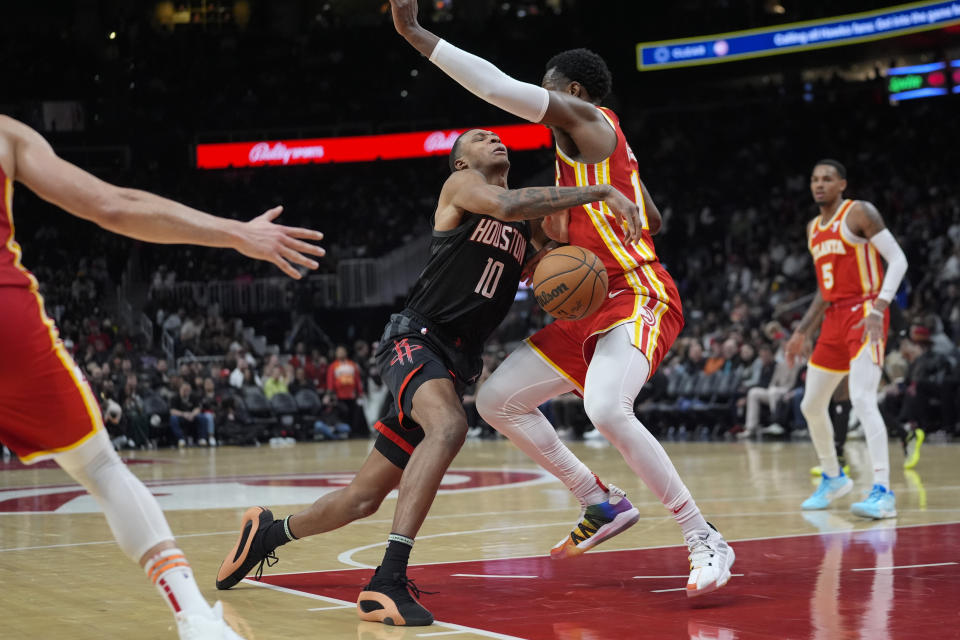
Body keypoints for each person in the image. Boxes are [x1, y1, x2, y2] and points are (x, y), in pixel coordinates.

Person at [215, 130, 641, 626]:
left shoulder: (525, 227)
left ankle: (269, 532)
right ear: (461, 163)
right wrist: (599, 190)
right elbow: (506, 204)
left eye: (499, 136)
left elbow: (555, 256)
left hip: (452, 363)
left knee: (362, 499)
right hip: (414, 339)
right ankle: (387, 581)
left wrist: (594, 212)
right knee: (450, 427)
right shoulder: (463, 190)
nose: (496, 140)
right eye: (482, 139)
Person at [388, 0, 735, 597]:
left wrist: (418, 36)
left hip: (636, 294)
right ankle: (598, 500)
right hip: (588, 311)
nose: (534, 105)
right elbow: (650, 212)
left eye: (545, 94)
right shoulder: (584, 154)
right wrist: (595, 213)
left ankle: (702, 534)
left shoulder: (591, 122)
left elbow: (497, 87)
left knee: (604, 408)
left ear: (571, 92)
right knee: (497, 400)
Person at [0, 114, 325, 639]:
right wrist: (236, 232)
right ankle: (195, 616)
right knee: (101, 467)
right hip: (4, 319)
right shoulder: (6, 134)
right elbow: (113, 206)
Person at [785, 159, 909, 519]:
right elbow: (825, 292)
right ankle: (833, 477)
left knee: (862, 398)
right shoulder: (813, 229)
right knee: (811, 404)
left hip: (867, 312)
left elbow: (898, 260)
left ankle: (883, 493)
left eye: (827, 179)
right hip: (835, 318)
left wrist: (880, 306)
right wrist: (802, 331)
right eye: (814, 179)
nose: (819, 184)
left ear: (842, 184)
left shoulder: (860, 213)